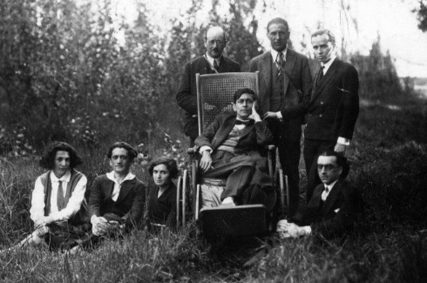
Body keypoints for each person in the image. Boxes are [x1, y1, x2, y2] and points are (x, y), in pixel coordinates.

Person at [249, 18, 312, 217]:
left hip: (289, 126)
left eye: (281, 32)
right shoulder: (256, 62)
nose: (277, 37)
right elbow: (248, 96)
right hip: (264, 127)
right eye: (273, 33)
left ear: (288, 34)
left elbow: (308, 96)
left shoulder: (300, 61)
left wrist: (292, 116)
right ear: (267, 35)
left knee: (291, 169)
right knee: (263, 169)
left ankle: (293, 213)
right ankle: (267, 213)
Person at [195, 88, 275, 210]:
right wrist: (206, 152)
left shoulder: (258, 125)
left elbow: (265, 140)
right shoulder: (223, 119)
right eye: (241, 101)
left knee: (249, 162)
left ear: (255, 105)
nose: (244, 104)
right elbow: (203, 137)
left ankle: (228, 200)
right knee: (249, 162)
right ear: (234, 106)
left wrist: (257, 118)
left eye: (249, 101)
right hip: (214, 165)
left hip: (240, 164)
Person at [304, 29, 359, 201]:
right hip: (312, 137)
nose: (319, 51)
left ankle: (317, 219)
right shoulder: (318, 71)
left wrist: (342, 140)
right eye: (315, 47)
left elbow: (351, 107)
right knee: (313, 180)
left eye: (323, 46)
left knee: (323, 180)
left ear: (333, 46)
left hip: (330, 137)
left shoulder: (346, 70)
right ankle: (317, 217)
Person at [10, 142, 88, 251]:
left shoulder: (79, 178)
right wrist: (39, 223)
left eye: (67, 159)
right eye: (59, 159)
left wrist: (49, 219)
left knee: (49, 236)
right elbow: (37, 207)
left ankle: (15, 250)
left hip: (76, 227)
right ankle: (14, 251)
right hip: (51, 227)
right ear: (52, 161)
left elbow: (73, 208)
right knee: (42, 233)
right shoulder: (42, 180)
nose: (64, 163)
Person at [176, 26, 241, 145]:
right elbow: (181, 96)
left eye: (219, 42)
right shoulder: (191, 66)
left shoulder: (234, 67)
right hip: (198, 124)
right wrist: (202, 106)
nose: (215, 46)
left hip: (226, 124)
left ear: (225, 43)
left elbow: (240, 96)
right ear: (205, 42)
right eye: (211, 42)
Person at [277, 150, 362, 239]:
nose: (323, 172)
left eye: (329, 167)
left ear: (340, 170)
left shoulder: (349, 192)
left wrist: (303, 230)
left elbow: (340, 224)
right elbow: (309, 212)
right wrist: (289, 223)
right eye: (320, 167)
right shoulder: (319, 189)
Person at [88, 142, 145, 240]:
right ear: (110, 161)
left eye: (123, 157)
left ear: (130, 161)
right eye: (115, 157)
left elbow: (135, 213)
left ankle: (80, 247)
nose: (119, 161)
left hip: (122, 228)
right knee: (102, 222)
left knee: (110, 218)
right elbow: (94, 204)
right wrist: (95, 220)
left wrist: (120, 225)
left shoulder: (138, 186)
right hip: (99, 223)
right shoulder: (100, 181)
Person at [147, 157, 179, 231]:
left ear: (171, 174)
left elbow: (171, 223)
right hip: (150, 228)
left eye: (163, 172)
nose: (158, 176)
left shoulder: (174, 193)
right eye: (155, 172)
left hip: (164, 231)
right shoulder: (153, 187)